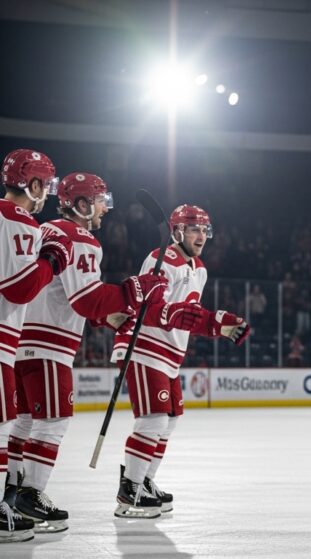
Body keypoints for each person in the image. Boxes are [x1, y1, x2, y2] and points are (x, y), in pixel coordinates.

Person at [9, 173, 167, 533]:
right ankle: (30, 495)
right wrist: (135, 289)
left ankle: (12, 494)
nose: (104, 209)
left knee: (25, 422)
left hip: (22, 341)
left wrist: (111, 316)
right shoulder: (79, 238)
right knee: (53, 421)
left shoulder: (45, 229)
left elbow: (66, 295)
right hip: (49, 346)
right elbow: (86, 300)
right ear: (81, 205)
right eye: (99, 201)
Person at [109, 204, 251, 519]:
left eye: (204, 229)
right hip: (145, 347)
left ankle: (145, 480)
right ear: (177, 231)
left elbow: (188, 315)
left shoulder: (199, 268)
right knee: (153, 420)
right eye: (194, 229)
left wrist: (217, 324)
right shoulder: (160, 259)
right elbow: (149, 307)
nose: (201, 235)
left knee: (169, 421)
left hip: (170, 353)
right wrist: (184, 316)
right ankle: (129, 489)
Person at [1, 149, 74, 544]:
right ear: (31, 184)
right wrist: (52, 261)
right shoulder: (18, 220)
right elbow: (20, 288)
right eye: (45, 184)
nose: (47, 191)